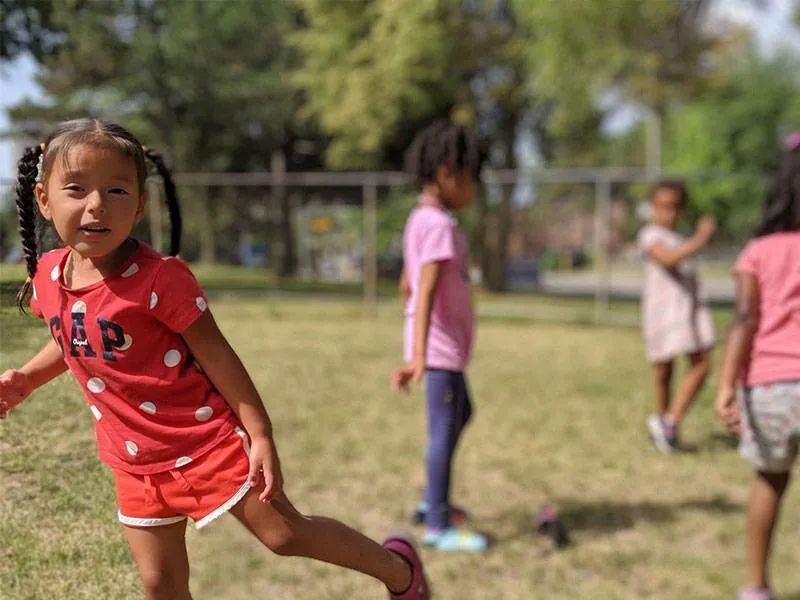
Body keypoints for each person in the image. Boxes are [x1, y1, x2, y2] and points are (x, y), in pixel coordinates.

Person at [0, 118, 430, 600]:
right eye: (76, 189)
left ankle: (400, 572)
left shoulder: (160, 278)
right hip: (135, 461)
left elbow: (219, 357)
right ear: (44, 199)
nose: (96, 204)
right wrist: (27, 380)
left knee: (284, 535)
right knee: (159, 582)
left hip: (206, 442)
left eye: (116, 190)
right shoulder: (48, 275)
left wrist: (260, 433)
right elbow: (73, 337)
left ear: (140, 204)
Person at [391, 120, 488, 552]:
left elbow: (409, 282)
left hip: (441, 347)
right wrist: (418, 356)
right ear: (449, 172)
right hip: (438, 351)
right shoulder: (439, 226)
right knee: (445, 430)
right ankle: (436, 524)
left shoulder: (422, 218)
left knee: (460, 413)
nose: (475, 190)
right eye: (471, 179)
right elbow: (425, 288)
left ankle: (433, 501)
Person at [716, 132, 800, 600]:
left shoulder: (759, 252)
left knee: (768, 481)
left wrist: (726, 385)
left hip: (769, 388)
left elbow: (744, 319)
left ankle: (756, 586)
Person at [637, 180, 717, 453]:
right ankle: (663, 427)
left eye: (674, 207)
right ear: (651, 208)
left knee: (702, 364)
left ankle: (670, 420)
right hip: (663, 313)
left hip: (687, 312)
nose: (667, 213)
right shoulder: (650, 235)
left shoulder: (681, 239)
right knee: (663, 370)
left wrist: (693, 241)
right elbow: (668, 259)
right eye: (662, 207)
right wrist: (699, 240)